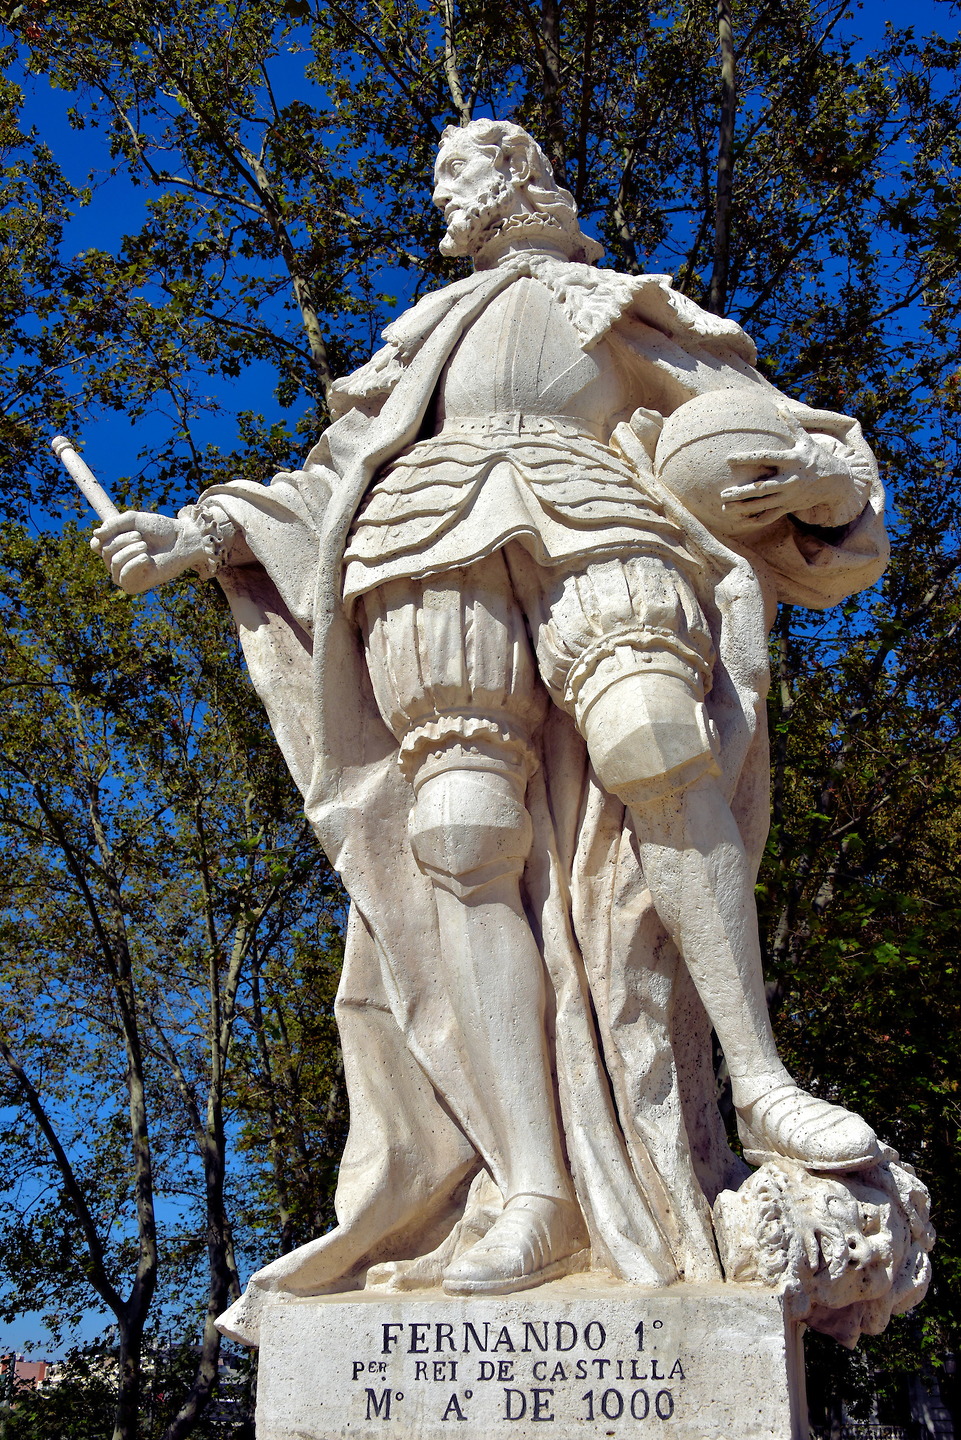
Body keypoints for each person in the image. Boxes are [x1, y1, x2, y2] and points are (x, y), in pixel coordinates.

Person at [91, 120, 889, 1340]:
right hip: (422, 550)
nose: (440, 196)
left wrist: (819, 489)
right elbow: (333, 478)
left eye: (456, 172)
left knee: (659, 747)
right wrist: (195, 535)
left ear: (518, 180)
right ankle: (532, 1190)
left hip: (598, 517)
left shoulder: (612, 302)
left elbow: (768, 437)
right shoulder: (420, 337)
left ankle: (762, 1082)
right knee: (460, 839)